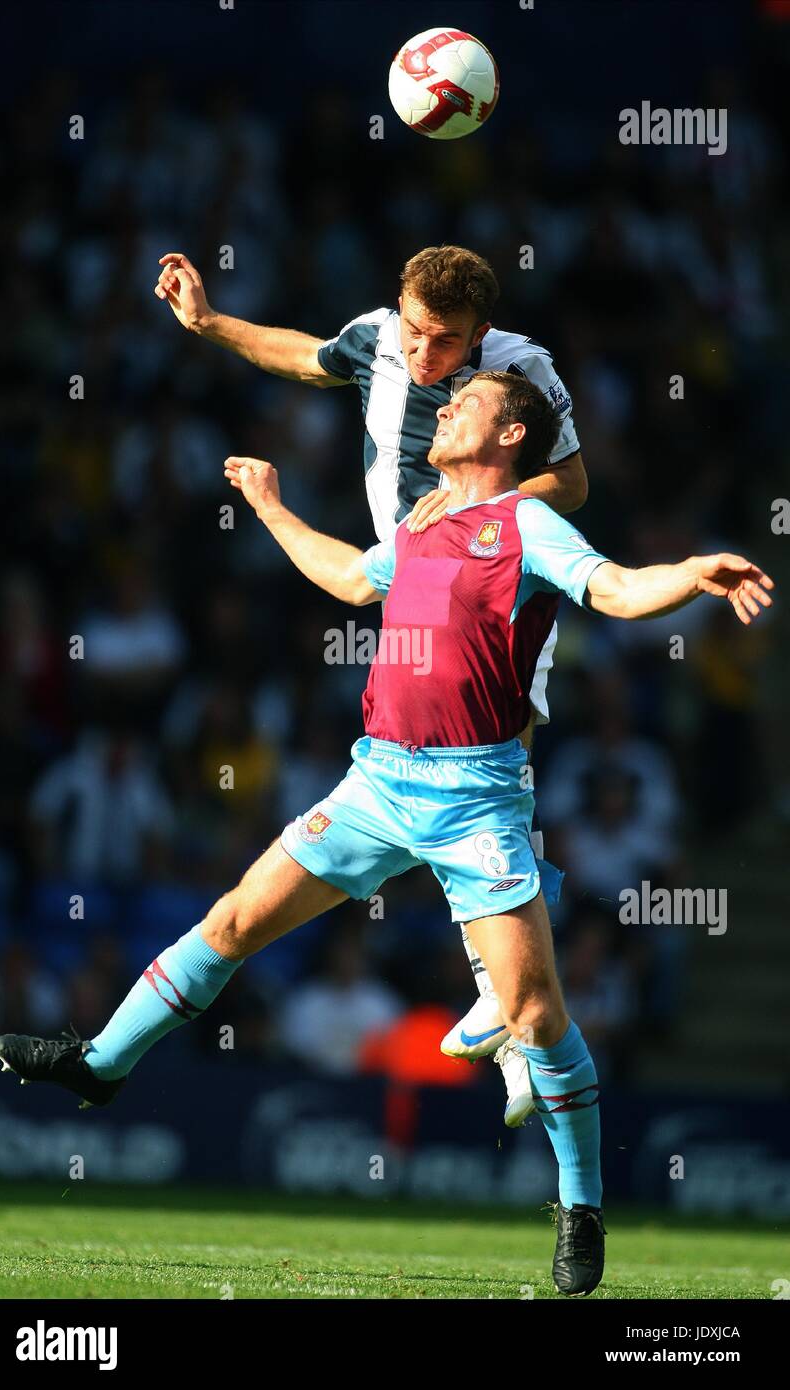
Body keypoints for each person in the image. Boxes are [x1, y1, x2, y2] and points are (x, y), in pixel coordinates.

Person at [0, 372, 773, 1295]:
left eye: (465, 401)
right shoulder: (417, 524)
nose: (442, 407)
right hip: (377, 781)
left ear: (513, 429)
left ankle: (580, 1204)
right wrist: (276, 509)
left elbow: (613, 589)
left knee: (534, 1014)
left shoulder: (526, 524)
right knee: (234, 920)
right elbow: (350, 579)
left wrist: (690, 574)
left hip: (476, 800)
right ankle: (101, 1065)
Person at [153, 242, 588, 1121]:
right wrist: (207, 323)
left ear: (483, 335)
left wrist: (481, 509)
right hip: (403, 588)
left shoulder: (523, 368)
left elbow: (572, 482)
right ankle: (505, 989)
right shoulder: (375, 339)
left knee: (496, 764)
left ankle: (503, 1000)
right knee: (422, 773)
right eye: (420, 335)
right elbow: (303, 357)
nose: (429, 358)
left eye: (450, 344)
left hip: (490, 579)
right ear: (400, 309)